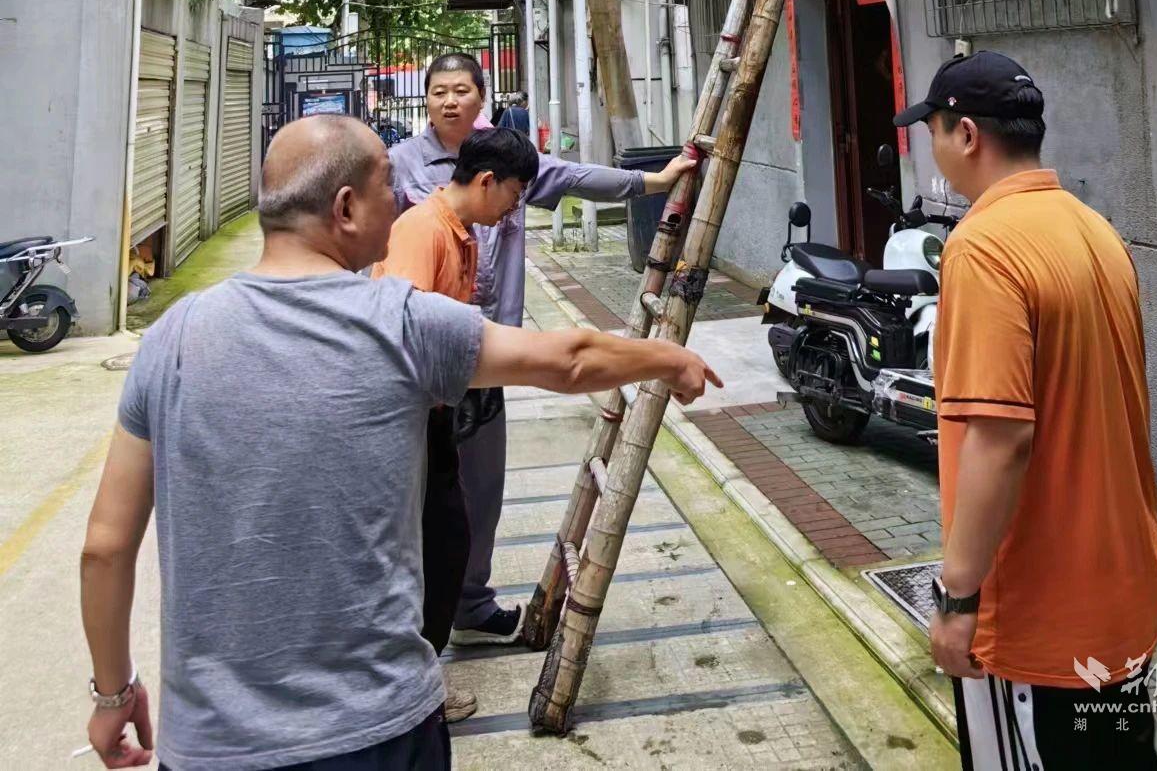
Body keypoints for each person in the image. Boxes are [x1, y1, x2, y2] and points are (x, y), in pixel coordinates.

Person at [80, 114, 720, 771]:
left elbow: (105, 547)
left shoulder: (170, 337)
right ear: (346, 208)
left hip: (211, 745)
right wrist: (670, 359)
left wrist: (113, 694)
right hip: (376, 730)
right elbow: (571, 360)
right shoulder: (399, 322)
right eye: (388, 185)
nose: (402, 198)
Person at [894, 51, 1157, 770]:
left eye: (933, 130)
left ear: (966, 135)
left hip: (1039, 615)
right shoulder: (1094, 230)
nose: (932, 147)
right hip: (1119, 598)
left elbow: (1000, 439)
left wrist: (957, 600)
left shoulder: (983, 248)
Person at [391, 52, 695, 645]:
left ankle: (469, 604)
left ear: (482, 97)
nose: (449, 101)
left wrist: (651, 183)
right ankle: (416, 627)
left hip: (491, 356)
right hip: (428, 372)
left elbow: (574, 177)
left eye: (461, 90)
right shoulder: (405, 177)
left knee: (480, 490)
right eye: (438, 90)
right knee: (423, 500)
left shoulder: (510, 160)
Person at [372, 127, 539, 723]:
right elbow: (400, 331)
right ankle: (410, 692)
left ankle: (418, 678)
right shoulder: (424, 230)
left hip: (435, 415)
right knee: (423, 554)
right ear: (488, 181)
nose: (514, 209)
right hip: (407, 421)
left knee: (446, 543)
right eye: (514, 194)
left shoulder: (461, 233)